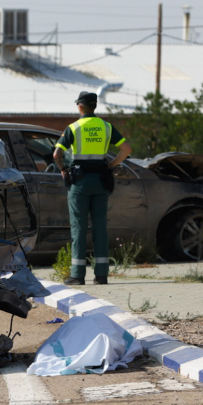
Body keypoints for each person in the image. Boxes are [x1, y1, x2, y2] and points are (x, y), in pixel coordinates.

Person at [53, 91, 132, 286]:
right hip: (101, 181)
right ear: (94, 106)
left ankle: (78, 275)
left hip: (79, 183)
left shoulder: (74, 127)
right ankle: (101, 275)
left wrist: (63, 170)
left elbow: (56, 154)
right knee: (100, 228)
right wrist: (111, 165)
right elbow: (127, 150)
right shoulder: (106, 127)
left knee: (79, 228)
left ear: (80, 107)